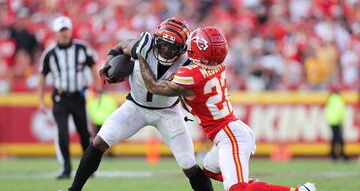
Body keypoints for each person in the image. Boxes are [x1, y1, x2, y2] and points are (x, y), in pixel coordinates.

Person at [138, 27, 316, 191]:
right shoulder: (216, 65)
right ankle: (253, 186)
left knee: (236, 189)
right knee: (209, 168)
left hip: (229, 135)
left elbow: (154, 87)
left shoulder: (191, 74)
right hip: (230, 130)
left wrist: (141, 57)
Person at [68, 18, 213, 191]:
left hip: (168, 112)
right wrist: (108, 64)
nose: (166, 51)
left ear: (182, 48)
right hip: (135, 106)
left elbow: (156, 87)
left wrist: (141, 58)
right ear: (156, 40)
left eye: (172, 47)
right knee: (99, 141)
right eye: (163, 44)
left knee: (189, 165)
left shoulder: (187, 63)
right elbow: (122, 46)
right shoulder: (144, 44)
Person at [38, 16, 102, 179]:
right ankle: (66, 168)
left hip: (78, 96)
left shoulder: (82, 48)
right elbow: (42, 76)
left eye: (66, 30)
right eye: (61, 31)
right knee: (62, 133)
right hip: (60, 98)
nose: (64, 34)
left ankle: (87, 167)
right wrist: (40, 99)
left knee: (83, 133)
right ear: (55, 33)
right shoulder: (50, 53)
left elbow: (93, 66)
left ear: (70, 30)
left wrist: (98, 86)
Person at [324, 89, 348, 160]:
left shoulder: (330, 100)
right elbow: (340, 110)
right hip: (337, 121)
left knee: (334, 139)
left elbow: (327, 111)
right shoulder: (338, 100)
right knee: (340, 139)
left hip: (332, 121)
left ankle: (333, 155)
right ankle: (342, 154)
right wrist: (341, 120)